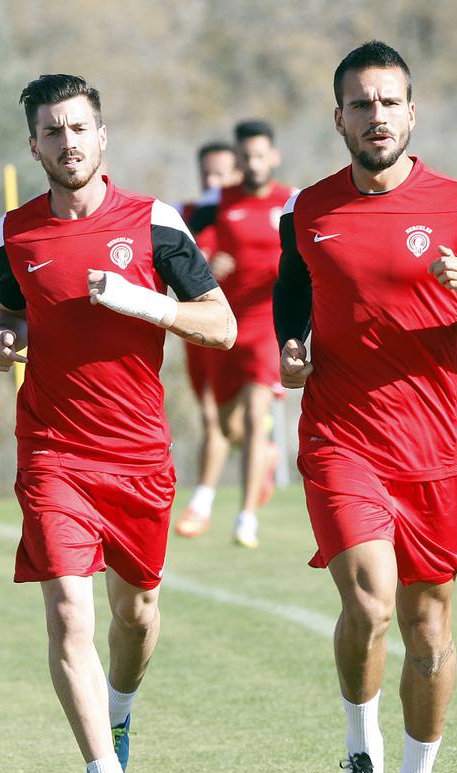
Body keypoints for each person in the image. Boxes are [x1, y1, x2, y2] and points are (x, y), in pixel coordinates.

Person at [273, 41, 457, 773]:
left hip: (429, 447)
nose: (376, 116)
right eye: (361, 104)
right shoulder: (307, 212)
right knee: (371, 603)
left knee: (429, 633)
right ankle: (361, 746)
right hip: (339, 437)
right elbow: (293, 295)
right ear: (339, 118)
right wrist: (290, 346)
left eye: (389, 103)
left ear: (411, 113)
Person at [0, 74, 234, 773]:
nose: (67, 144)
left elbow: (220, 326)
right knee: (68, 613)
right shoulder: (16, 232)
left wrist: (142, 302)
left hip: (137, 456)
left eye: (79, 129)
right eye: (52, 132)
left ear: (103, 136)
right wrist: (6, 343)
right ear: (34, 145)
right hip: (53, 452)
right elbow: (12, 309)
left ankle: (118, 710)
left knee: (136, 615)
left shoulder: (154, 224)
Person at [176, 120, 293, 548]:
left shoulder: (291, 201)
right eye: (246, 158)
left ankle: (246, 518)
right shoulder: (218, 202)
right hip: (225, 322)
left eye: (261, 156)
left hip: (268, 322)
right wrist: (208, 264)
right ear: (238, 161)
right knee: (225, 423)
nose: (254, 164)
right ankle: (264, 459)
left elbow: (311, 251)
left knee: (255, 408)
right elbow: (189, 249)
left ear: (273, 157)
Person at [174, 140, 241, 538]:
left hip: (244, 331)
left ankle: (202, 503)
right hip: (194, 334)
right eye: (206, 173)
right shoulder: (185, 216)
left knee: (221, 418)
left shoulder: (245, 216)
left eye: (221, 174)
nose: (212, 181)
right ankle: (262, 451)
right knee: (214, 417)